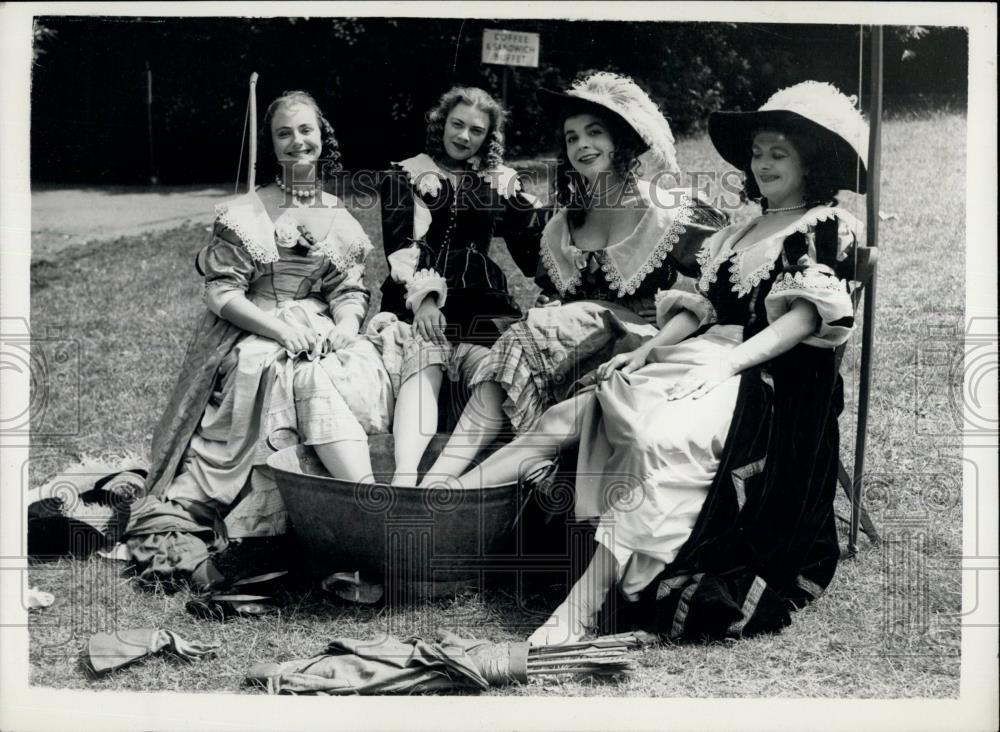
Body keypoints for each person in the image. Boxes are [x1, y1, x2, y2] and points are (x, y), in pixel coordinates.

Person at [450, 81, 867, 645]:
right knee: (566, 418)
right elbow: (701, 307)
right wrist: (648, 350)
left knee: (652, 439)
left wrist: (727, 366)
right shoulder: (739, 230)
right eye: (759, 151)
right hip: (696, 355)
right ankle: (436, 513)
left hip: (766, 380)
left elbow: (803, 321)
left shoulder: (823, 226)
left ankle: (581, 609)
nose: (763, 163)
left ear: (809, 162)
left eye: (780, 154)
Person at [420, 72, 725, 484]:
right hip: (571, 343)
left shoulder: (665, 211)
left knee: (524, 338)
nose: (582, 145)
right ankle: (441, 479)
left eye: (594, 133)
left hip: (637, 342)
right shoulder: (562, 223)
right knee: (510, 343)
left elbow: (714, 294)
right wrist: (551, 308)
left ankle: (447, 483)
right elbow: (553, 297)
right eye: (572, 137)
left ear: (620, 140)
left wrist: (653, 344)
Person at [138, 90, 392, 556]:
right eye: (284, 133)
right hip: (254, 324)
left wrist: (347, 324)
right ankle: (276, 517)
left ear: (322, 135)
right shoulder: (246, 213)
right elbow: (221, 292)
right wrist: (279, 329)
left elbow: (349, 290)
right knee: (279, 369)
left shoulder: (338, 215)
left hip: (318, 325)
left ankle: (356, 500)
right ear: (272, 146)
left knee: (361, 365)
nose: (297, 141)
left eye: (305, 130)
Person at [376, 86, 548, 486]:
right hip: (419, 293)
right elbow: (403, 248)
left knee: (494, 367)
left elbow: (532, 250)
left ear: (488, 137)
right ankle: (405, 473)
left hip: (482, 300)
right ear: (441, 123)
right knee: (426, 351)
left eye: (476, 130)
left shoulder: (497, 181)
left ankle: (461, 474)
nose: (464, 136)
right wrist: (424, 302)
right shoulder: (408, 173)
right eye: (457, 124)